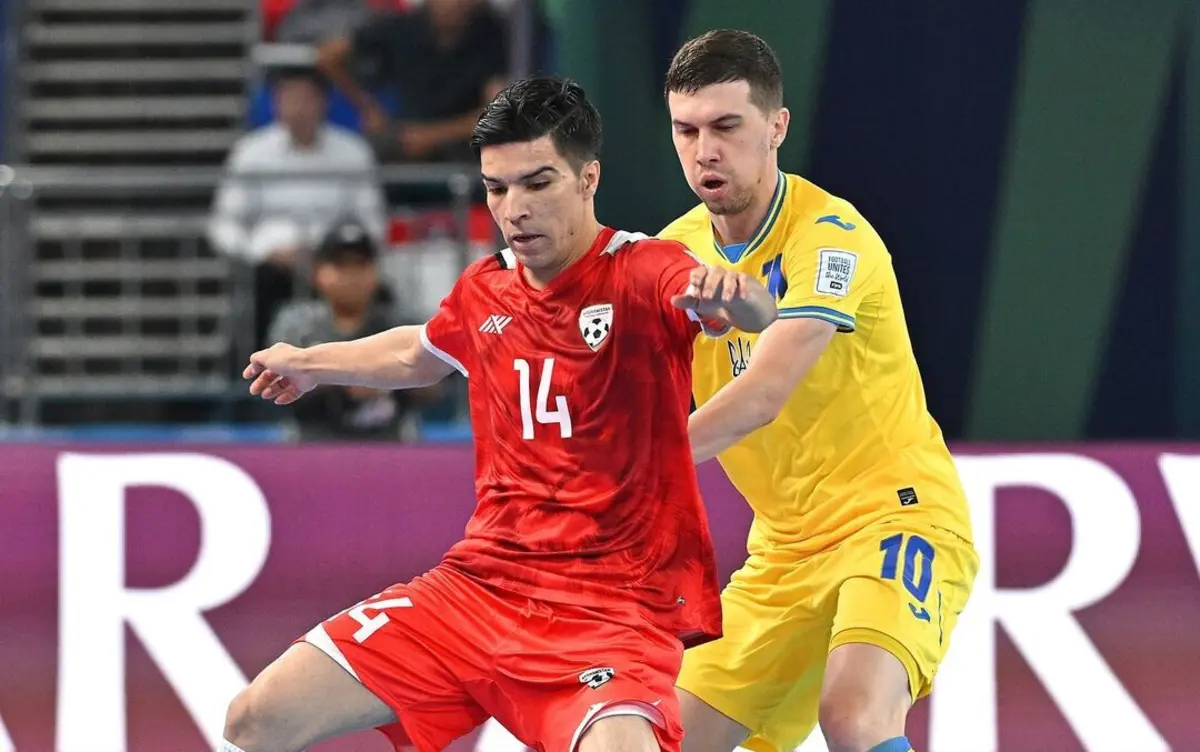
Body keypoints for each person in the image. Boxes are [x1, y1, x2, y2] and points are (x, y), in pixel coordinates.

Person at [221, 75, 778, 752]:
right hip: (478, 589)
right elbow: (417, 354)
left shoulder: (646, 270)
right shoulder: (486, 286)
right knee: (256, 718)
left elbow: (741, 312)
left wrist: (738, 297)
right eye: (496, 188)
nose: (514, 208)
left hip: (610, 610)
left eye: (537, 183)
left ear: (587, 178)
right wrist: (311, 363)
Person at [657, 30, 979, 752]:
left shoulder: (833, 240)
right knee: (659, 740)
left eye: (725, 127)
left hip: (895, 516)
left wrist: (640, 468)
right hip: (784, 550)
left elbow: (764, 392)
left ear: (776, 126)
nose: (704, 150)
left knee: (854, 717)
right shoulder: (670, 257)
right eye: (686, 130)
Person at [266, 218, 439, 442]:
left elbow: (433, 385)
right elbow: (274, 384)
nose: (351, 276)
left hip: (391, 446)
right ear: (318, 272)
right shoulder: (296, 324)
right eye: (341, 266)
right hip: (312, 445)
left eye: (360, 265)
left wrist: (387, 379)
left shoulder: (401, 324)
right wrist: (346, 378)